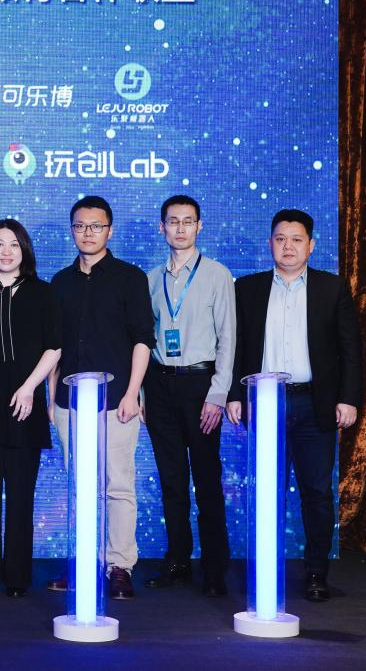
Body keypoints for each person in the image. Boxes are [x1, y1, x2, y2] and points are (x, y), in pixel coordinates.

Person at [228, 208, 363, 603]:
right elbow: (236, 347)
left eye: (296, 239)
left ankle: (317, 572)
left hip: (314, 404)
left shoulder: (331, 288)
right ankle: (264, 571)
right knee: (266, 491)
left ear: (311, 245)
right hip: (265, 403)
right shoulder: (247, 288)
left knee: (316, 492)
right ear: (270, 243)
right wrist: (234, 395)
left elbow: (350, 350)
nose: (288, 246)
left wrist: (348, 398)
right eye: (280, 239)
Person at [49, 195, 154, 600]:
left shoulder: (130, 278)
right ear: (72, 230)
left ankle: (119, 566)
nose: (87, 233)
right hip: (69, 403)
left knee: (118, 485)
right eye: (80, 226)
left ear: (109, 231)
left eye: (95, 226)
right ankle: (84, 562)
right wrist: (51, 399)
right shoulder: (61, 282)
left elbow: (142, 340)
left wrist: (132, 393)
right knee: (81, 487)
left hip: (117, 403)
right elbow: (53, 346)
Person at [142, 196, 234, 597]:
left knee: (207, 479)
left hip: (201, 385)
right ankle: (177, 560)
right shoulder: (150, 279)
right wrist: (142, 392)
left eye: (188, 221)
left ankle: (215, 568)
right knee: (171, 479)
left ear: (199, 226)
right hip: (160, 384)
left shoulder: (217, 274)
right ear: (161, 227)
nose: (180, 228)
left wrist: (218, 394)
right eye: (173, 221)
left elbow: (229, 338)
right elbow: (143, 340)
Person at [0, 219, 61, 598]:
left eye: (14, 245)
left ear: (25, 251)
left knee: (22, 496)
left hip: (26, 404)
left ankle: (18, 577)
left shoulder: (43, 293)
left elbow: (54, 347)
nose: (6, 252)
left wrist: (29, 388)